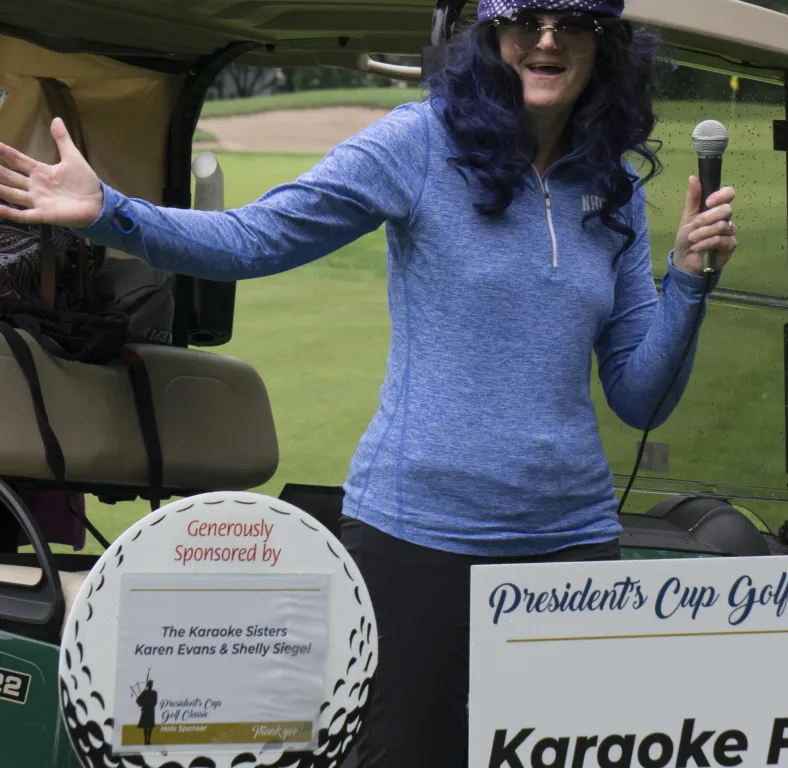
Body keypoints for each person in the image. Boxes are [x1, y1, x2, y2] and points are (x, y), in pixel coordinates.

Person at [0, 1, 740, 765]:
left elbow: (641, 397)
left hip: (571, 543)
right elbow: (257, 237)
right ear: (492, 33)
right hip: (419, 538)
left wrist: (687, 280)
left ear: (604, 42)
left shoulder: (611, 184)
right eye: (525, 16)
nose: (546, 38)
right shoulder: (420, 142)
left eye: (570, 19)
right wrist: (109, 212)